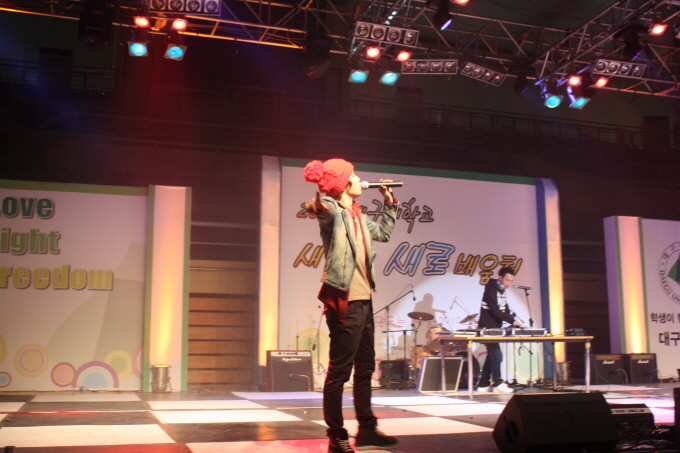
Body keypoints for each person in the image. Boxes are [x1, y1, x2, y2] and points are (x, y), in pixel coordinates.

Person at [303, 158, 399, 453]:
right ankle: (336, 436)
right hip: (344, 301)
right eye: (354, 176)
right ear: (343, 184)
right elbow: (323, 210)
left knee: (365, 368)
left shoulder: (358, 214)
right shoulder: (334, 210)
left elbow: (383, 234)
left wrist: (389, 203)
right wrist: (316, 206)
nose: (360, 180)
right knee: (339, 373)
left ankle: (367, 430)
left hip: (364, 300)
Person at [476, 267, 523, 393]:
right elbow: (495, 310)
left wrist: (514, 320)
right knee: (497, 356)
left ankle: (483, 384)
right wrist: (512, 321)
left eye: (511, 281)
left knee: (492, 355)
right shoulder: (491, 287)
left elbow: (504, 308)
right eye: (507, 280)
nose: (509, 283)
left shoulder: (501, 290)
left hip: (494, 328)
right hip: (487, 327)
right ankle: (497, 383)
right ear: (500, 277)